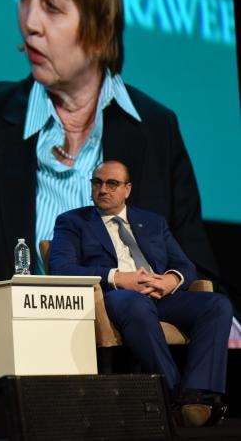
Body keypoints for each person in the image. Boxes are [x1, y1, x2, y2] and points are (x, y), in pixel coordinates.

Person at [0, 0, 219, 282]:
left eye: (51, 6)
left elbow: (199, 275)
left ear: (100, 28)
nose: (29, 22)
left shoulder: (158, 130)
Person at [50, 160, 232, 427]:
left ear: (127, 189)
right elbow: (61, 269)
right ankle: (175, 393)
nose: (103, 190)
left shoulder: (153, 222)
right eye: (97, 183)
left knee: (217, 304)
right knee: (135, 303)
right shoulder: (73, 222)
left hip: (161, 296)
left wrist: (170, 280)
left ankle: (197, 395)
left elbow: (184, 266)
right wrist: (119, 278)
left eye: (112, 184)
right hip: (114, 296)